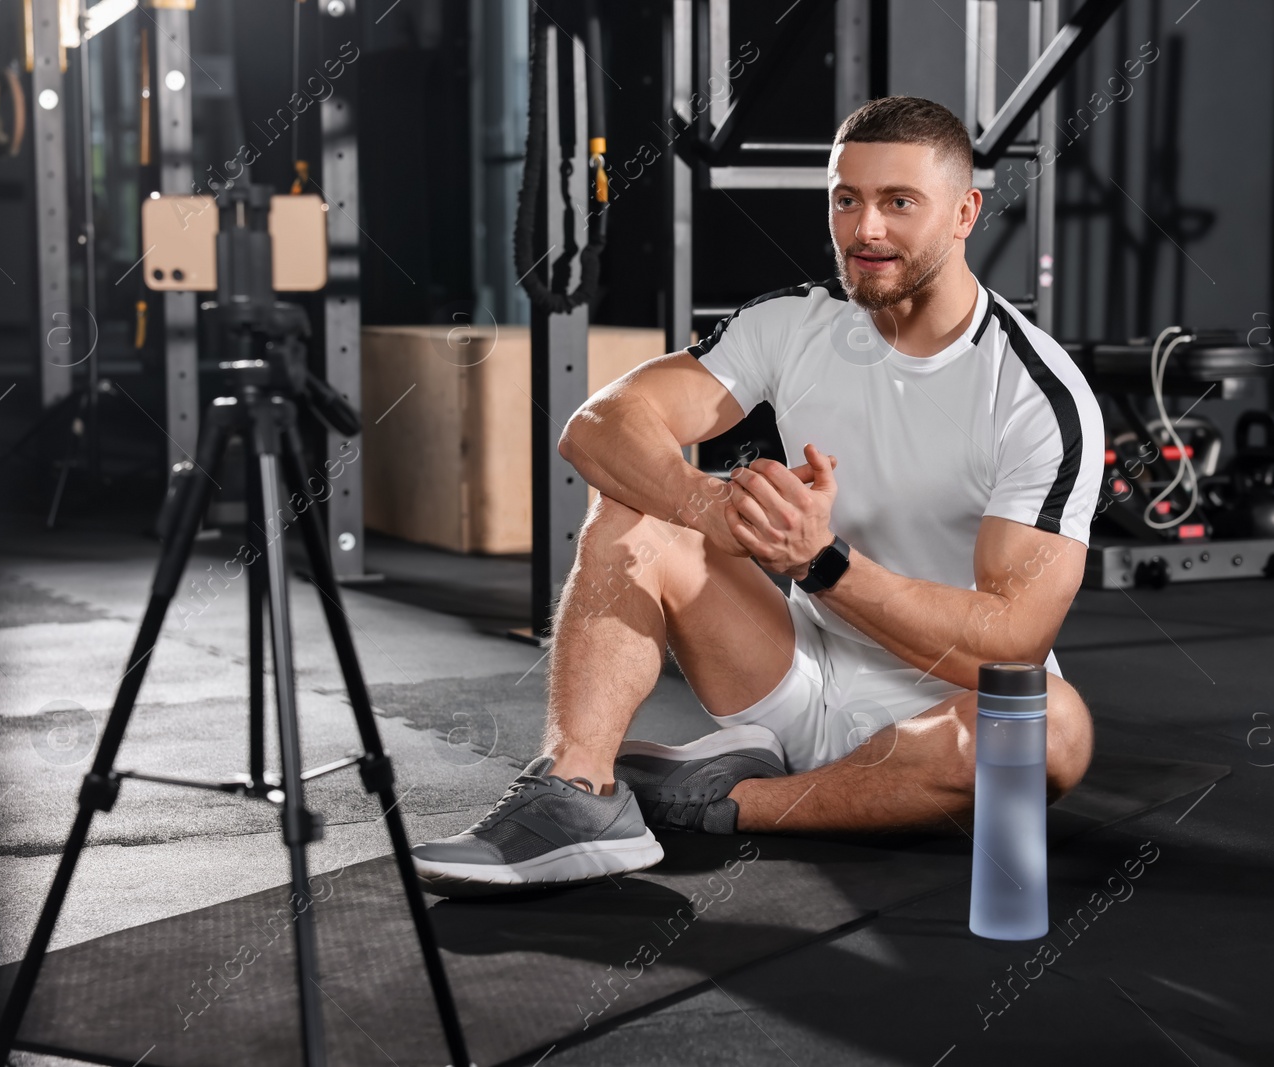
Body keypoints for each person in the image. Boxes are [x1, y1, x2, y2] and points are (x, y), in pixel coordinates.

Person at [411, 96, 1103, 894]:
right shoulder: (796, 324)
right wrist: (709, 507)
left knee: (1056, 733)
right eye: (847, 199)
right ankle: (579, 792)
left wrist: (826, 564)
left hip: (943, 717)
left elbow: (1011, 641)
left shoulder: (1033, 394)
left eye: (898, 202)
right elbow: (598, 426)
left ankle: (736, 801)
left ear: (964, 212)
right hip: (791, 677)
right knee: (633, 501)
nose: (865, 229)